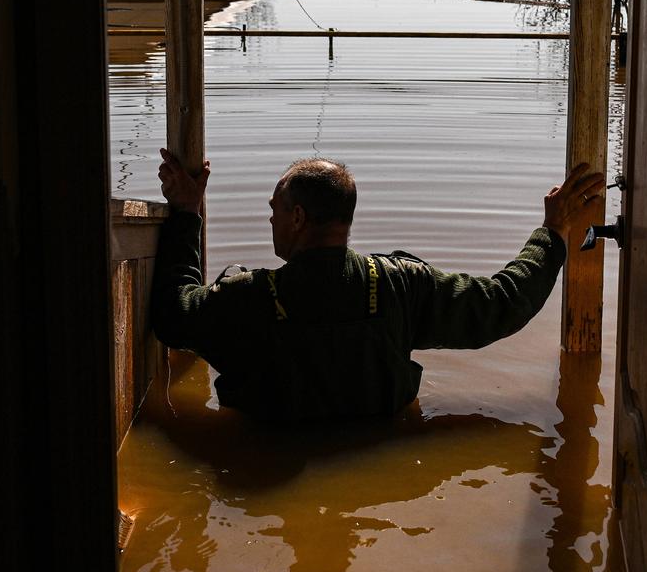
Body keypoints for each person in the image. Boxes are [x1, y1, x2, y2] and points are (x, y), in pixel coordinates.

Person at [150, 149, 608, 423]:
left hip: (261, 459)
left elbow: (173, 315)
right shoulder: (399, 286)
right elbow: (506, 303)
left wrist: (188, 214)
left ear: (297, 217)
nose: (269, 218)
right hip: (381, 441)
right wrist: (551, 234)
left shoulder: (243, 298)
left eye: (274, 208)